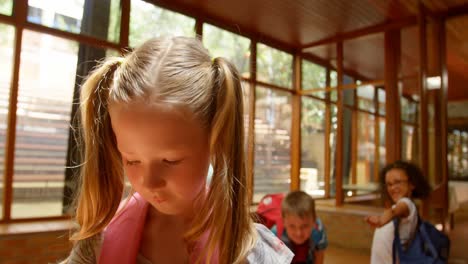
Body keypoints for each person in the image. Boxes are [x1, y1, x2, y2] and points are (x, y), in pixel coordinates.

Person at [62, 36, 293, 264]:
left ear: (214, 141)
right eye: (132, 160)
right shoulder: (98, 240)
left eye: (170, 160)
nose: (149, 182)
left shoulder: (249, 252)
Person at [365, 160, 431, 263]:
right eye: (389, 184)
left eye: (398, 182)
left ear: (412, 184)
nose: (393, 188)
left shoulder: (406, 204)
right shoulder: (396, 206)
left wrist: (381, 220)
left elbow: (395, 211)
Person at [271, 191, 328, 264]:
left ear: (314, 221)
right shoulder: (274, 236)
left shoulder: (318, 231)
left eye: (305, 226)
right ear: (283, 221)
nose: (299, 233)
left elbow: (319, 255)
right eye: (292, 226)